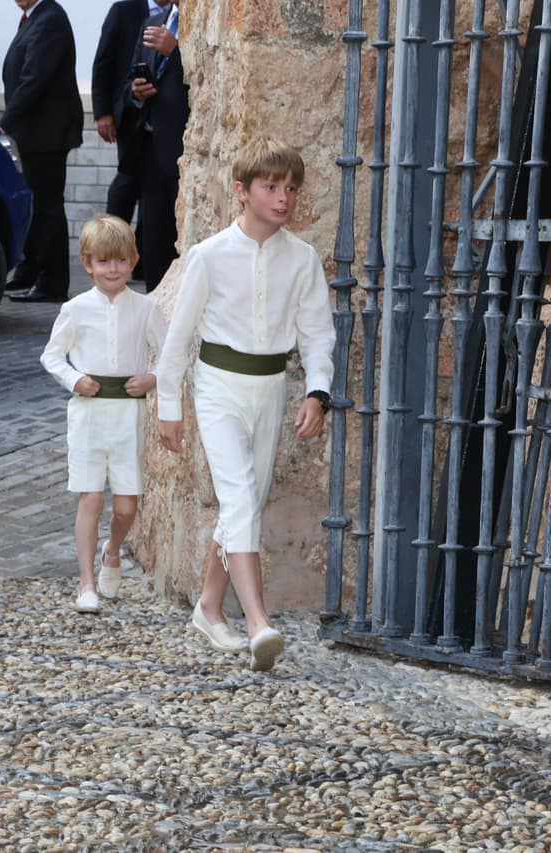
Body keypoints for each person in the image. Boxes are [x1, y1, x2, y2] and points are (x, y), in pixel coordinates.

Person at [154, 137, 335, 671]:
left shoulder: (302, 261)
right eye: (271, 187)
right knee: (237, 499)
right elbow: (179, 337)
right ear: (242, 191)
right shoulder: (209, 256)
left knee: (245, 507)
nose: (283, 198)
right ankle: (258, 622)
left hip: (270, 388)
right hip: (217, 387)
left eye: (291, 189)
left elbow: (317, 335)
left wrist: (317, 392)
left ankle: (209, 608)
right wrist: (170, 405)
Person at [41, 215, 165, 612]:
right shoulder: (75, 309)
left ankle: (112, 549)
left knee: (127, 506)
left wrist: (152, 378)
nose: (113, 270)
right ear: (87, 263)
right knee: (91, 499)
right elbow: (52, 356)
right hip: (88, 415)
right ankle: (86, 583)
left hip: (129, 416)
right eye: (103, 262)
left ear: (133, 260)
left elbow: (171, 355)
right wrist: (75, 379)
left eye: (121, 261)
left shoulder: (146, 308)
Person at [0, 0, 84, 304]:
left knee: (47, 206)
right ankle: (30, 267)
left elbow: (34, 78)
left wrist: (4, 123)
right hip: (31, 132)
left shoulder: (50, 19)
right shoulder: (33, 18)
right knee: (34, 204)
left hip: (45, 133)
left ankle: (53, 281)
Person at [126, 0, 187, 292]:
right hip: (150, 145)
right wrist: (136, 92)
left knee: (182, 237)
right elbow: (130, 81)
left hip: (185, 148)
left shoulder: (200, 25)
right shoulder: (153, 22)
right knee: (153, 237)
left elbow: (207, 77)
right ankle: (154, 302)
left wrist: (174, 52)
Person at [91, 0, 152, 245]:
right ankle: (112, 245)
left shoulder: (177, 14)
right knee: (127, 184)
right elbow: (103, 62)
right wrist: (102, 112)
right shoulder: (124, 11)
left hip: (164, 121)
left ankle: (142, 258)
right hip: (129, 116)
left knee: (154, 190)